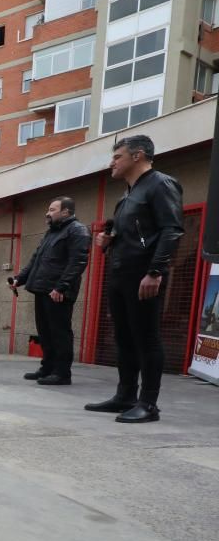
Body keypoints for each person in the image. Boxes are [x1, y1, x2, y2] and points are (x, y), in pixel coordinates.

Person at [86, 135, 184, 423]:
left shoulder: (161, 184)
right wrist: (108, 241)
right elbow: (131, 235)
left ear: (138, 156)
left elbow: (171, 230)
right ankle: (125, 396)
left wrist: (155, 271)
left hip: (144, 274)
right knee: (124, 337)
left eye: (117, 157)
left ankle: (148, 404)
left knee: (147, 338)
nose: (112, 163)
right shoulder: (127, 195)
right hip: (121, 273)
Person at [9, 197, 91, 385]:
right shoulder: (51, 233)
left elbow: (77, 262)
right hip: (43, 289)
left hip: (58, 292)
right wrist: (19, 279)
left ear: (66, 212)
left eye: (53, 209)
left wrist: (61, 287)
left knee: (60, 333)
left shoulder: (77, 231)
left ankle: (62, 373)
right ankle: (47, 368)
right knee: (45, 332)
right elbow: (35, 260)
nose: (48, 213)